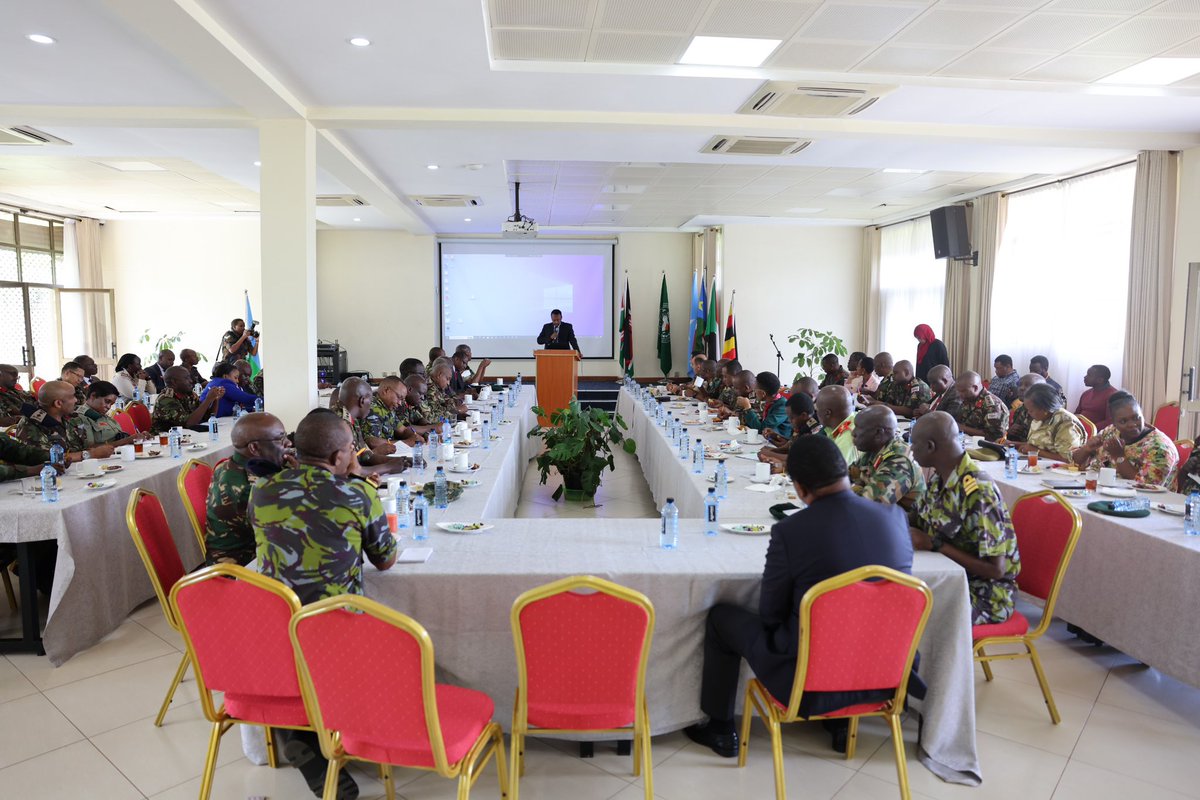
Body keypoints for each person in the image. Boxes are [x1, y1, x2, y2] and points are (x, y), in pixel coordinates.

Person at [685, 435, 914, 759]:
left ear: (800, 488)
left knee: (721, 618)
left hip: (808, 677)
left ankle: (720, 728)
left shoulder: (792, 531)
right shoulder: (894, 518)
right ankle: (840, 725)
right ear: (846, 474)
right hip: (885, 670)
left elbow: (771, 613)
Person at [250, 410, 397, 799]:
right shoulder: (358, 494)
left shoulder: (262, 490)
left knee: (294, 643)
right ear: (336, 458)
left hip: (277, 626)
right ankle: (362, 731)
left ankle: (300, 736)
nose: (354, 454)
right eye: (351, 449)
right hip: (339, 626)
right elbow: (385, 559)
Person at [909, 411, 1021, 625]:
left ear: (931, 447)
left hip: (984, 595)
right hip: (947, 577)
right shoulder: (940, 477)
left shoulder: (977, 491)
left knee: (907, 613)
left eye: (914, 444)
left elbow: (996, 570)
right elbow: (915, 519)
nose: (911, 450)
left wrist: (935, 544)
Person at [205, 412, 292, 566]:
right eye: (280, 439)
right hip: (239, 570)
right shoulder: (247, 488)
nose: (288, 444)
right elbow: (291, 528)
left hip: (255, 555)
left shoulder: (232, 464)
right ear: (254, 448)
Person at [1072, 392, 1177, 486]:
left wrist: (1119, 456)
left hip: (1146, 502)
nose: (1132, 424)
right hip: (1100, 489)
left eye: (1136, 418)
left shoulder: (1160, 448)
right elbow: (1074, 462)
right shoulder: (1111, 431)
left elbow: (1144, 486)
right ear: (1114, 422)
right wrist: (1086, 449)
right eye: (1123, 421)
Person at [10, 381, 115, 463]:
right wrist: (89, 454)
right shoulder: (31, 425)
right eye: (72, 396)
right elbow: (46, 459)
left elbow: (80, 448)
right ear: (58, 403)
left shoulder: (71, 417)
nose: (76, 400)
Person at [849, 406, 925, 509]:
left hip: (908, 522)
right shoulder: (874, 449)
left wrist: (854, 488)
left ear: (878, 433)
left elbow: (868, 506)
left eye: (858, 428)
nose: (853, 433)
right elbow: (847, 476)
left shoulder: (899, 461)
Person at [337, 377, 412, 475]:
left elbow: (364, 454)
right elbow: (351, 468)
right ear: (362, 401)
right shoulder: (339, 423)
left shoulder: (352, 418)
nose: (371, 406)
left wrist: (403, 460)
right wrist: (387, 467)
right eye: (371, 400)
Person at [1017, 383, 1086, 462]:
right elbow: (1035, 444)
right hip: (1040, 464)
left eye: (1031, 410)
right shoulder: (1039, 418)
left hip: (1060, 469)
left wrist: (1035, 451)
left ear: (1045, 409)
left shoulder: (1066, 422)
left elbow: (1068, 458)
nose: (1028, 413)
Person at [151, 366, 224, 433]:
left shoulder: (189, 394)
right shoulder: (166, 399)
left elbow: (207, 417)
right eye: (186, 378)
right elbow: (189, 423)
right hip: (166, 440)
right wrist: (208, 399)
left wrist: (215, 398)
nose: (191, 381)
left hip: (186, 436)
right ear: (174, 382)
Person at [950, 371, 1008, 441]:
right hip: (966, 440)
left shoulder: (993, 405)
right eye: (958, 391)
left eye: (963, 391)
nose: (960, 394)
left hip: (987, 446)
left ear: (975, 388)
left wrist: (961, 427)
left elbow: (993, 436)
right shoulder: (968, 398)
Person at [362, 376, 420, 446]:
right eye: (399, 397)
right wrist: (406, 443)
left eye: (402, 400)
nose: (400, 403)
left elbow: (403, 430)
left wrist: (415, 436)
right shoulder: (373, 409)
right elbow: (373, 442)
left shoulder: (388, 406)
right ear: (386, 390)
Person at [863, 359, 931, 418]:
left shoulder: (920, 387)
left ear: (906, 373)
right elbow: (889, 402)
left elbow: (910, 411)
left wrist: (883, 405)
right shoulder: (896, 384)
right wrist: (872, 403)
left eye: (895, 373)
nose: (893, 376)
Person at [75, 381, 134, 446]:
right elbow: (89, 448)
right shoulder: (81, 417)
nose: (108, 407)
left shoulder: (105, 416)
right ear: (93, 396)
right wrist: (125, 441)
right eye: (107, 401)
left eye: (111, 404)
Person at [815, 385, 859, 465]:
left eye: (817, 410)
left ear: (827, 413)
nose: (816, 413)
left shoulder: (847, 438)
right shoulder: (853, 420)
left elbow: (834, 474)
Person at [736, 372, 790, 437]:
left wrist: (747, 408)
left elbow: (761, 429)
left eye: (755, 389)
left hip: (778, 443)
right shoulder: (769, 401)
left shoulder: (782, 406)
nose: (754, 391)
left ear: (763, 393)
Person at [1075, 364, 1120, 431]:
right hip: (1079, 432)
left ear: (1100, 380)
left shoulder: (1113, 395)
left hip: (1096, 435)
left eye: (1089, 375)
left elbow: (1110, 422)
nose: (1085, 377)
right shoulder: (1086, 393)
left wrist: (1088, 429)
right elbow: (1077, 414)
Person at [1004, 374, 1044, 443]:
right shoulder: (1020, 410)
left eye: (1027, 385)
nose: (1021, 388)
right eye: (1019, 385)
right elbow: (1012, 439)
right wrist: (1009, 432)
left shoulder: (1045, 413)